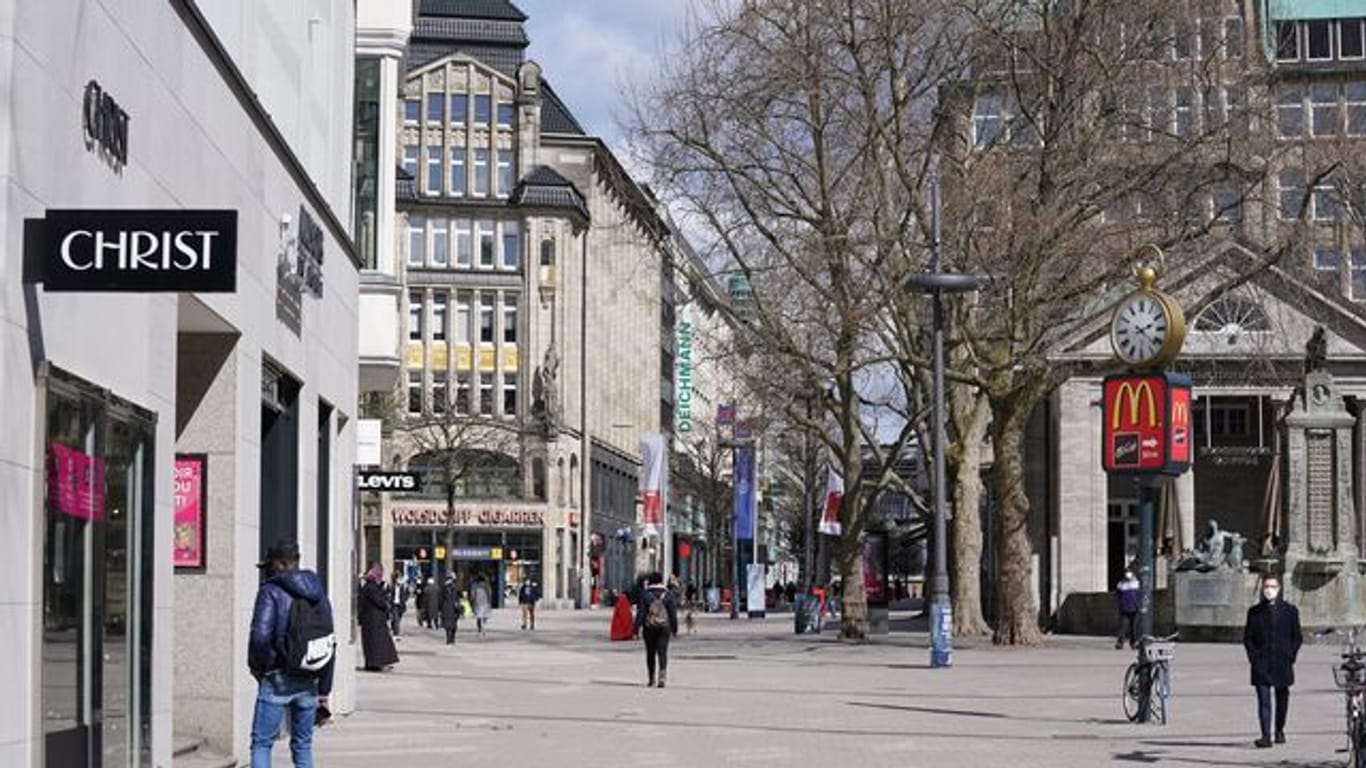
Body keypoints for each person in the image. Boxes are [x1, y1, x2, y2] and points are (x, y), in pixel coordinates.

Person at [248, 540, 336, 768]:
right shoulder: (317, 591)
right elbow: (328, 639)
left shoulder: (270, 591)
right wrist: (324, 688)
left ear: (280, 563)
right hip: (308, 677)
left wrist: (260, 669)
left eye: (270, 565)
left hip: (277, 676)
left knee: (262, 743)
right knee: (303, 744)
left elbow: (260, 636)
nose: (267, 570)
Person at [1243, 573, 1302, 748]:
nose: (1269, 590)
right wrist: (1254, 658)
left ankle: (1279, 730)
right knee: (1264, 700)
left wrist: (1291, 655)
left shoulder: (1290, 611)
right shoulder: (1254, 612)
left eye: (1273, 586)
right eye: (1266, 586)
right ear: (1262, 589)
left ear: (1279, 588)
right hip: (1261, 663)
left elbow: (1297, 637)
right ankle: (1265, 735)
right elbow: (1248, 638)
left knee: (1282, 698)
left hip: (1283, 661)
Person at [633, 573, 679, 688]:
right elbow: (673, 613)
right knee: (662, 652)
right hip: (664, 627)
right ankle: (662, 677)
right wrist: (674, 628)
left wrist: (636, 629)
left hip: (649, 627)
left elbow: (641, 613)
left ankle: (651, 678)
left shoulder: (645, 595)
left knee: (650, 653)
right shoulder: (668, 594)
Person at [359, 564, 399, 672]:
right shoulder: (371, 587)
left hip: (372, 621)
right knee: (377, 644)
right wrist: (386, 602)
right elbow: (380, 602)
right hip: (374, 621)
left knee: (374, 644)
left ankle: (373, 664)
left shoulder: (369, 586)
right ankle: (376, 664)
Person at [1114, 569, 1140, 650]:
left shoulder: (1136, 583)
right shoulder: (1121, 584)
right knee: (1123, 627)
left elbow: (1139, 595)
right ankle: (1120, 642)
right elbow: (1117, 596)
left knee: (1133, 628)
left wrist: (1138, 605)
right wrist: (1120, 605)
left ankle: (1133, 643)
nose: (1128, 575)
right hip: (1124, 608)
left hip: (1134, 608)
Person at [438, 574, 462, 645]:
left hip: (446, 609)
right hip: (454, 608)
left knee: (447, 625)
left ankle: (448, 638)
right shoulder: (455, 587)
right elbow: (459, 597)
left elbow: (440, 600)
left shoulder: (443, 588)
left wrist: (440, 608)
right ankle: (452, 638)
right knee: (453, 624)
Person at [387, 570, 407, 637]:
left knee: (399, 618)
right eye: (398, 578)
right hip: (394, 604)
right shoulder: (392, 586)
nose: (399, 579)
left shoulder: (403, 587)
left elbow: (406, 594)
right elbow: (389, 594)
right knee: (396, 618)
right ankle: (396, 632)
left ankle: (394, 626)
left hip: (401, 605)